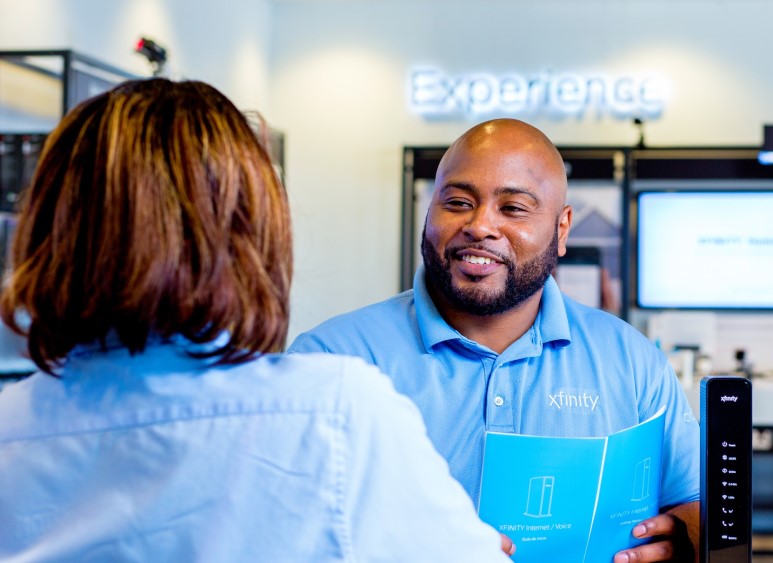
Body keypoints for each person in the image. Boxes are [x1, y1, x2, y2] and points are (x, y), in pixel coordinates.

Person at [0, 78, 510, 562]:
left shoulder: (11, 426)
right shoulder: (334, 410)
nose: (482, 226)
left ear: (51, 228)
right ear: (252, 231)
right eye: (459, 202)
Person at [290, 118, 701, 562]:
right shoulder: (331, 360)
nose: (480, 225)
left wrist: (685, 539)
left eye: (513, 208)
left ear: (562, 230)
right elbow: (279, 527)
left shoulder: (632, 361)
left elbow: (697, 501)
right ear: (430, 212)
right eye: (459, 202)